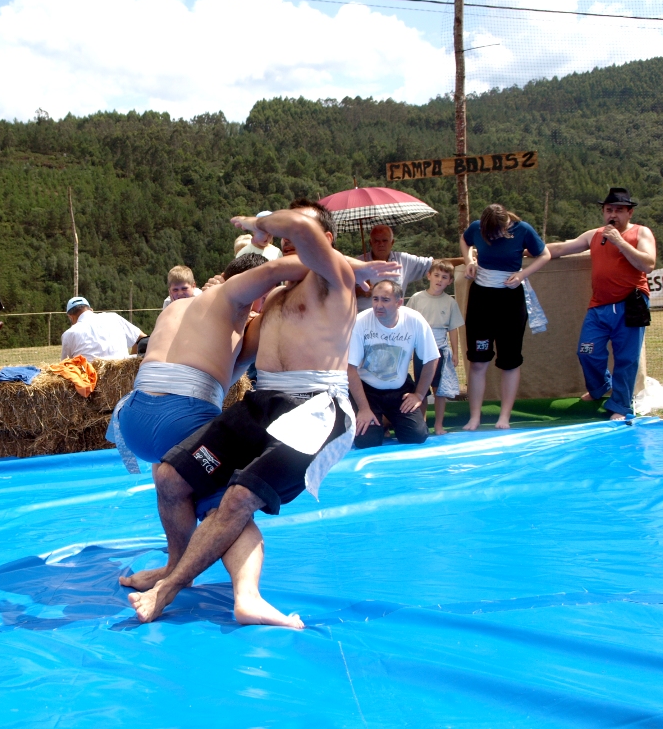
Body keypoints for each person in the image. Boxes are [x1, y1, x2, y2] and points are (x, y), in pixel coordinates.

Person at [128, 200, 360, 626]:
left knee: (237, 499)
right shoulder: (274, 295)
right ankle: (174, 567)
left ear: (326, 242)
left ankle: (173, 589)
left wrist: (260, 226)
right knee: (169, 477)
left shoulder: (335, 279)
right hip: (260, 404)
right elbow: (237, 356)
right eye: (286, 243)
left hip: (312, 410)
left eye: (299, 239)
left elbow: (301, 233)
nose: (290, 245)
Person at [546, 187, 656, 419]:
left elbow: (648, 264)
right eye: (608, 210)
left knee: (626, 358)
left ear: (629, 213)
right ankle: (600, 387)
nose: (612, 215)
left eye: (618, 210)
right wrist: (526, 250)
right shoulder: (594, 235)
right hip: (599, 306)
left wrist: (620, 242)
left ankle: (621, 406)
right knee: (587, 351)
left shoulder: (641, 233)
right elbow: (563, 247)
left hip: (631, 304)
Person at [460, 204, 552, 430]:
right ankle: (475, 417)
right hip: (481, 297)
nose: (492, 237)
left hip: (510, 299)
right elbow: (464, 241)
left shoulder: (523, 230)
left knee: (509, 361)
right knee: (478, 360)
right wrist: (469, 261)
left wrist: (522, 274)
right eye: (487, 235)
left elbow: (545, 254)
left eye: (497, 233)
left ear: (505, 225)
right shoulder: (476, 228)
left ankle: (504, 417)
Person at [348, 280, 439, 447]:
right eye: (375, 299)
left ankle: (388, 420)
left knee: (417, 436)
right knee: (366, 441)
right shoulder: (360, 322)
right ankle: (379, 419)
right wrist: (363, 408)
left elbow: (432, 357)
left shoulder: (414, 320)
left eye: (385, 300)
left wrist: (419, 395)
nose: (378, 305)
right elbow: (350, 368)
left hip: (399, 390)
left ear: (399, 302)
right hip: (368, 390)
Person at [406, 261, 464, 434]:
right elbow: (408, 325)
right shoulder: (417, 298)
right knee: (421, 389)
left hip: (441, 350)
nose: (439, 280)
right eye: (437, 275)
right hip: (421, 350)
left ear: (450, 281)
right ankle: (421, 424)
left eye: (444, 277)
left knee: (439, 390)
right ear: (429, 276)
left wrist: (455, 352)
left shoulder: (450, 302)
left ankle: (439, 425)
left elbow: (453, 329)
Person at [60, 297, 145, 361]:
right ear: (91, 310)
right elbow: (142, 338)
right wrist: (130, 363)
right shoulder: (114, 317)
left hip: (91, 381)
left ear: (70, 317)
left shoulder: (69, 333)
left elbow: (65, 365)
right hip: (124, 378)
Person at [356, 225, 433, 291]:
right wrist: (359, 292)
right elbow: (344, 288)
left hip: (395, 308)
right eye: (376, 241)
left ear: (392, 242)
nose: (381, 244)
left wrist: (444, 265)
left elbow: (431, 264)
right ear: (370, 243)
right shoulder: (358, 263)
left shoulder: (403, 260)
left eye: (385, 240)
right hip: (364, 308)